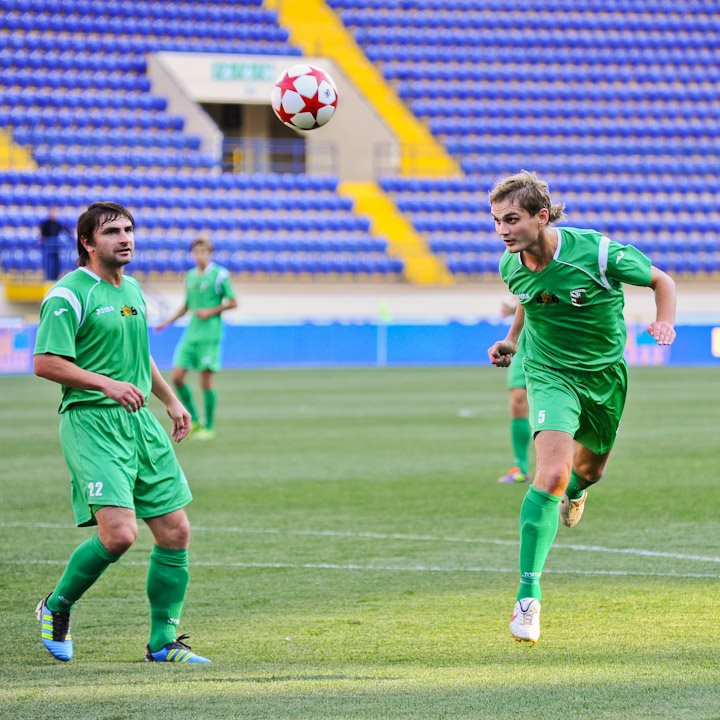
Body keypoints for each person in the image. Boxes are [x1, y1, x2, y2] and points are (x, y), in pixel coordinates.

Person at [486, 171, 676, 644]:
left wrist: (664, 321)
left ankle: (579, 489)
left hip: (604, 377)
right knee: (549, 474)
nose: (503, 230)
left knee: (588, 471)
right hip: (550, 374)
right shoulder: (510, 264)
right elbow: (529, 299)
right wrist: (512, 340)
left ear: (541, 216)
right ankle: (527, 599)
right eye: (497, 221)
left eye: (512, 219)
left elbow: (661, 280)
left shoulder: (596, 252)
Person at [33, 201, 210, 664]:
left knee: (175, 531)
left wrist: (170, 399)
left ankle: (162, 643)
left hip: (138, 422)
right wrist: (106, 384)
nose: (125, 238)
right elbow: (45, 363)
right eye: (112, 231)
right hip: (92, 422)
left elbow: (139, 352)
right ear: (87, 242)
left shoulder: (131, 288)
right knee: (119, 535)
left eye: (129, 229)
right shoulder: (68, 294)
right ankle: (56, 606)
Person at [156, 237, 237, 441]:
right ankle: (195, 420)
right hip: (191, 334)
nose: (199, 255)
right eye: (196, 252)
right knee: (176, 377)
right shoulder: (190, 276)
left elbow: (233, 302)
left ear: (209, 253)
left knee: (205, 381)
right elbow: (187, 305)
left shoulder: (220, 275)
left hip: (210, 335)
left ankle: (209, 426)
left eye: (203, 251)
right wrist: (167, 322)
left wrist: (211, 311)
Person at [496, 299, 532, 484]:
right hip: (525, 341)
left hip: (558, 339)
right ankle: (521, 467)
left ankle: (582, 462)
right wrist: (513, 307)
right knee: (518, 399)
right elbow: (523, 296)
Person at [39, 207, 69, 281]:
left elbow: (65, 229)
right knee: (48, 262)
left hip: (56, 246)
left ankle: (55, 277)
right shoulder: (45, 224)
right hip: (48, 246)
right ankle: (48, 278)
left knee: (56, 262)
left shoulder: (58, 224)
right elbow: (42, 235)